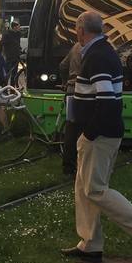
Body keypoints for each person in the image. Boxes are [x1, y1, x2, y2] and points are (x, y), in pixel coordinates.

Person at [61, 10, 132, 263]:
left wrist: (89, 132)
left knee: (94, 189)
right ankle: (90, 244)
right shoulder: (104, 52)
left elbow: (106, 101)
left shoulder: (96, 57)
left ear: (80, 31)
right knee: (84, 187)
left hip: (99, 135)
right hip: (104, 132)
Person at [59, 40, 83, 176]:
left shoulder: (75, 47)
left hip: (71, 91)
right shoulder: (90, 48)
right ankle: (82, 166)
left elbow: (62, 65)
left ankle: (68, 166)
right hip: (83, 92)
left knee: (71, 129)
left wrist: (64, 82)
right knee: (83, 130)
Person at [0, 19, 23, 85]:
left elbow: (18, 43)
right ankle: (5, 87)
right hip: (9, 56)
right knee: (8, 72)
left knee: (14, 73)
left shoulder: (18, 34)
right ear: (14, 27)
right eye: (18, 27)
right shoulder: (7, 34)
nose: (19, 28)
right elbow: (3, 43)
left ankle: (12, 88)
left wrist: (19, 49)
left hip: (16, 56)